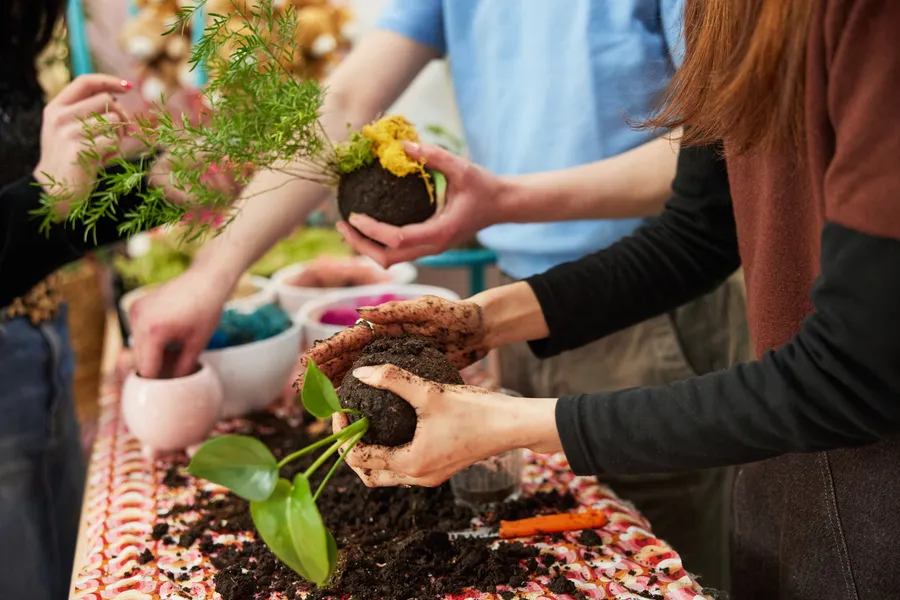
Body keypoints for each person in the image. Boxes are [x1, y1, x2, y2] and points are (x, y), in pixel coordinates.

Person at [131, 2, 749, 587]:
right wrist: (210, 275)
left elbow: (721, 155)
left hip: (656, 308)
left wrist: (503, 201)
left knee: (657, 561)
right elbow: (344, 99)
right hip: (523, 303)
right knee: (549, 546)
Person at [301, 0, 900, 597]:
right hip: (785, 462)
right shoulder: (723, 11)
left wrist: (512, 424)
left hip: (873, 498)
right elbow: (697, 232)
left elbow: (851, 374)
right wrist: (481, 322)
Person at [0, 3, 191, 597]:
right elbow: (39, 201)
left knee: (71, 568)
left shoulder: (15, 31)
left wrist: (159, 186)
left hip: (39, 340)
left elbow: (38, 222)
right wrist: (44, 193)